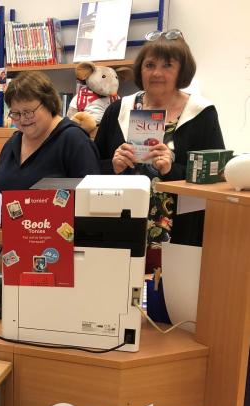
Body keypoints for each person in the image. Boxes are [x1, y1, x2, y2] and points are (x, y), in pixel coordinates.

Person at [95, 29, 224, 252]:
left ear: (182, 70)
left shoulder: (201, 113)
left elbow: (216, 176)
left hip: (182, 231)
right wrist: (112, 166)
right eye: (150, 65)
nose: (156, 73)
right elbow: (91, 166)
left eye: (167, 65)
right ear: (140, 69)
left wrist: (172, 170)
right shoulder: (118, 110)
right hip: (120, 225)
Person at [0, 71, 100, 230]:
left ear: (48, 104)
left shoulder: (74, 140)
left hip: (61, 242)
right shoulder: (12, 143)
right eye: (16, 113)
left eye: (28, 112)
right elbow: (1, 194)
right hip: (17, 242)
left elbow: (91, 203)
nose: (22, 119)